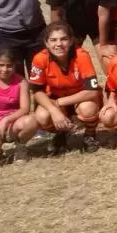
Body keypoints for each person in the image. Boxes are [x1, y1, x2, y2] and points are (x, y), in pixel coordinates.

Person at [29, 22, 102, 154]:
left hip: (79, 98)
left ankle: (90, 135)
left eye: (64, 39)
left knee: (88, 108)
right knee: (41, 116)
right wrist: (53, 110)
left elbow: (91, 92)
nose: (59, 44)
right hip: (55, 97)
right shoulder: (39, 59)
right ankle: (61, 133)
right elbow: (36, 91)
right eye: (53, 40)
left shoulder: (82, 55)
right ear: (46, 43)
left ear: (71, 41)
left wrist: (58, 103)